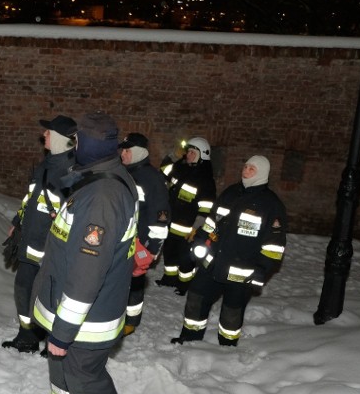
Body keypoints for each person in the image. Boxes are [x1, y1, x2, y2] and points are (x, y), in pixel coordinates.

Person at [31, 111, 138, 394]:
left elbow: (86, 275)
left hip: (88, 318)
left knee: (83, 372)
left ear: (89, 146)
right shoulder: (100, 177)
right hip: (68, 307)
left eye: (78, 141)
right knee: (61, 363)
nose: (73, 145)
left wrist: (63, 331)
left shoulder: (103, 198)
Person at [171, 155, 287, 347]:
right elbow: (211, 221)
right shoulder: (230, 193)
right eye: (246, 166)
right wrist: (199, 240)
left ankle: (227, 346)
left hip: (241, 271)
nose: (246, 170)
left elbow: (274, 246)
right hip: (213, 263)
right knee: (196, 298)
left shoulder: (271, 205)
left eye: (252, 169)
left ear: (263, 174)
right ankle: (190, 337)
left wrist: (262, 270)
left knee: (232, 312)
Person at [2, 115, 77, 354]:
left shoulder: (72, 172)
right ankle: (28, 336)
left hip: (52, 247)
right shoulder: (46, 164)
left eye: (48, 132)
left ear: (60, 139)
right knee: (23, 287)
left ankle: (54, 339)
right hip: (31, 240)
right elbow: (32, 197)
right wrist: (18, 220)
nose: (44, 135)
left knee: (51, 296)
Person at [119, 133, 170, 336]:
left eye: (127, 150)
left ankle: (131, 321)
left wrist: (152, 248)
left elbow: (160, 217)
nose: (122, 154)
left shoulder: (152, 179)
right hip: (121, 240)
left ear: (138, 152)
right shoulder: (123, 173)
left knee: (135, 282)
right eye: (122, 150)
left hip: (139, 242)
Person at [158, 136, 216, 296]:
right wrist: (174, 155)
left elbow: (206, 208)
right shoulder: (180, 168)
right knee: (169, 253)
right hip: (171, 223)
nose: (188, 155)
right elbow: (163, 170)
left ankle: (184, 285)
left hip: (188, 230)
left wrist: (196, 228)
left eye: (192, 152)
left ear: (202, 155)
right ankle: (169, 279)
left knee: (185, 259)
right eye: (188, 152)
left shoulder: (205, 180)